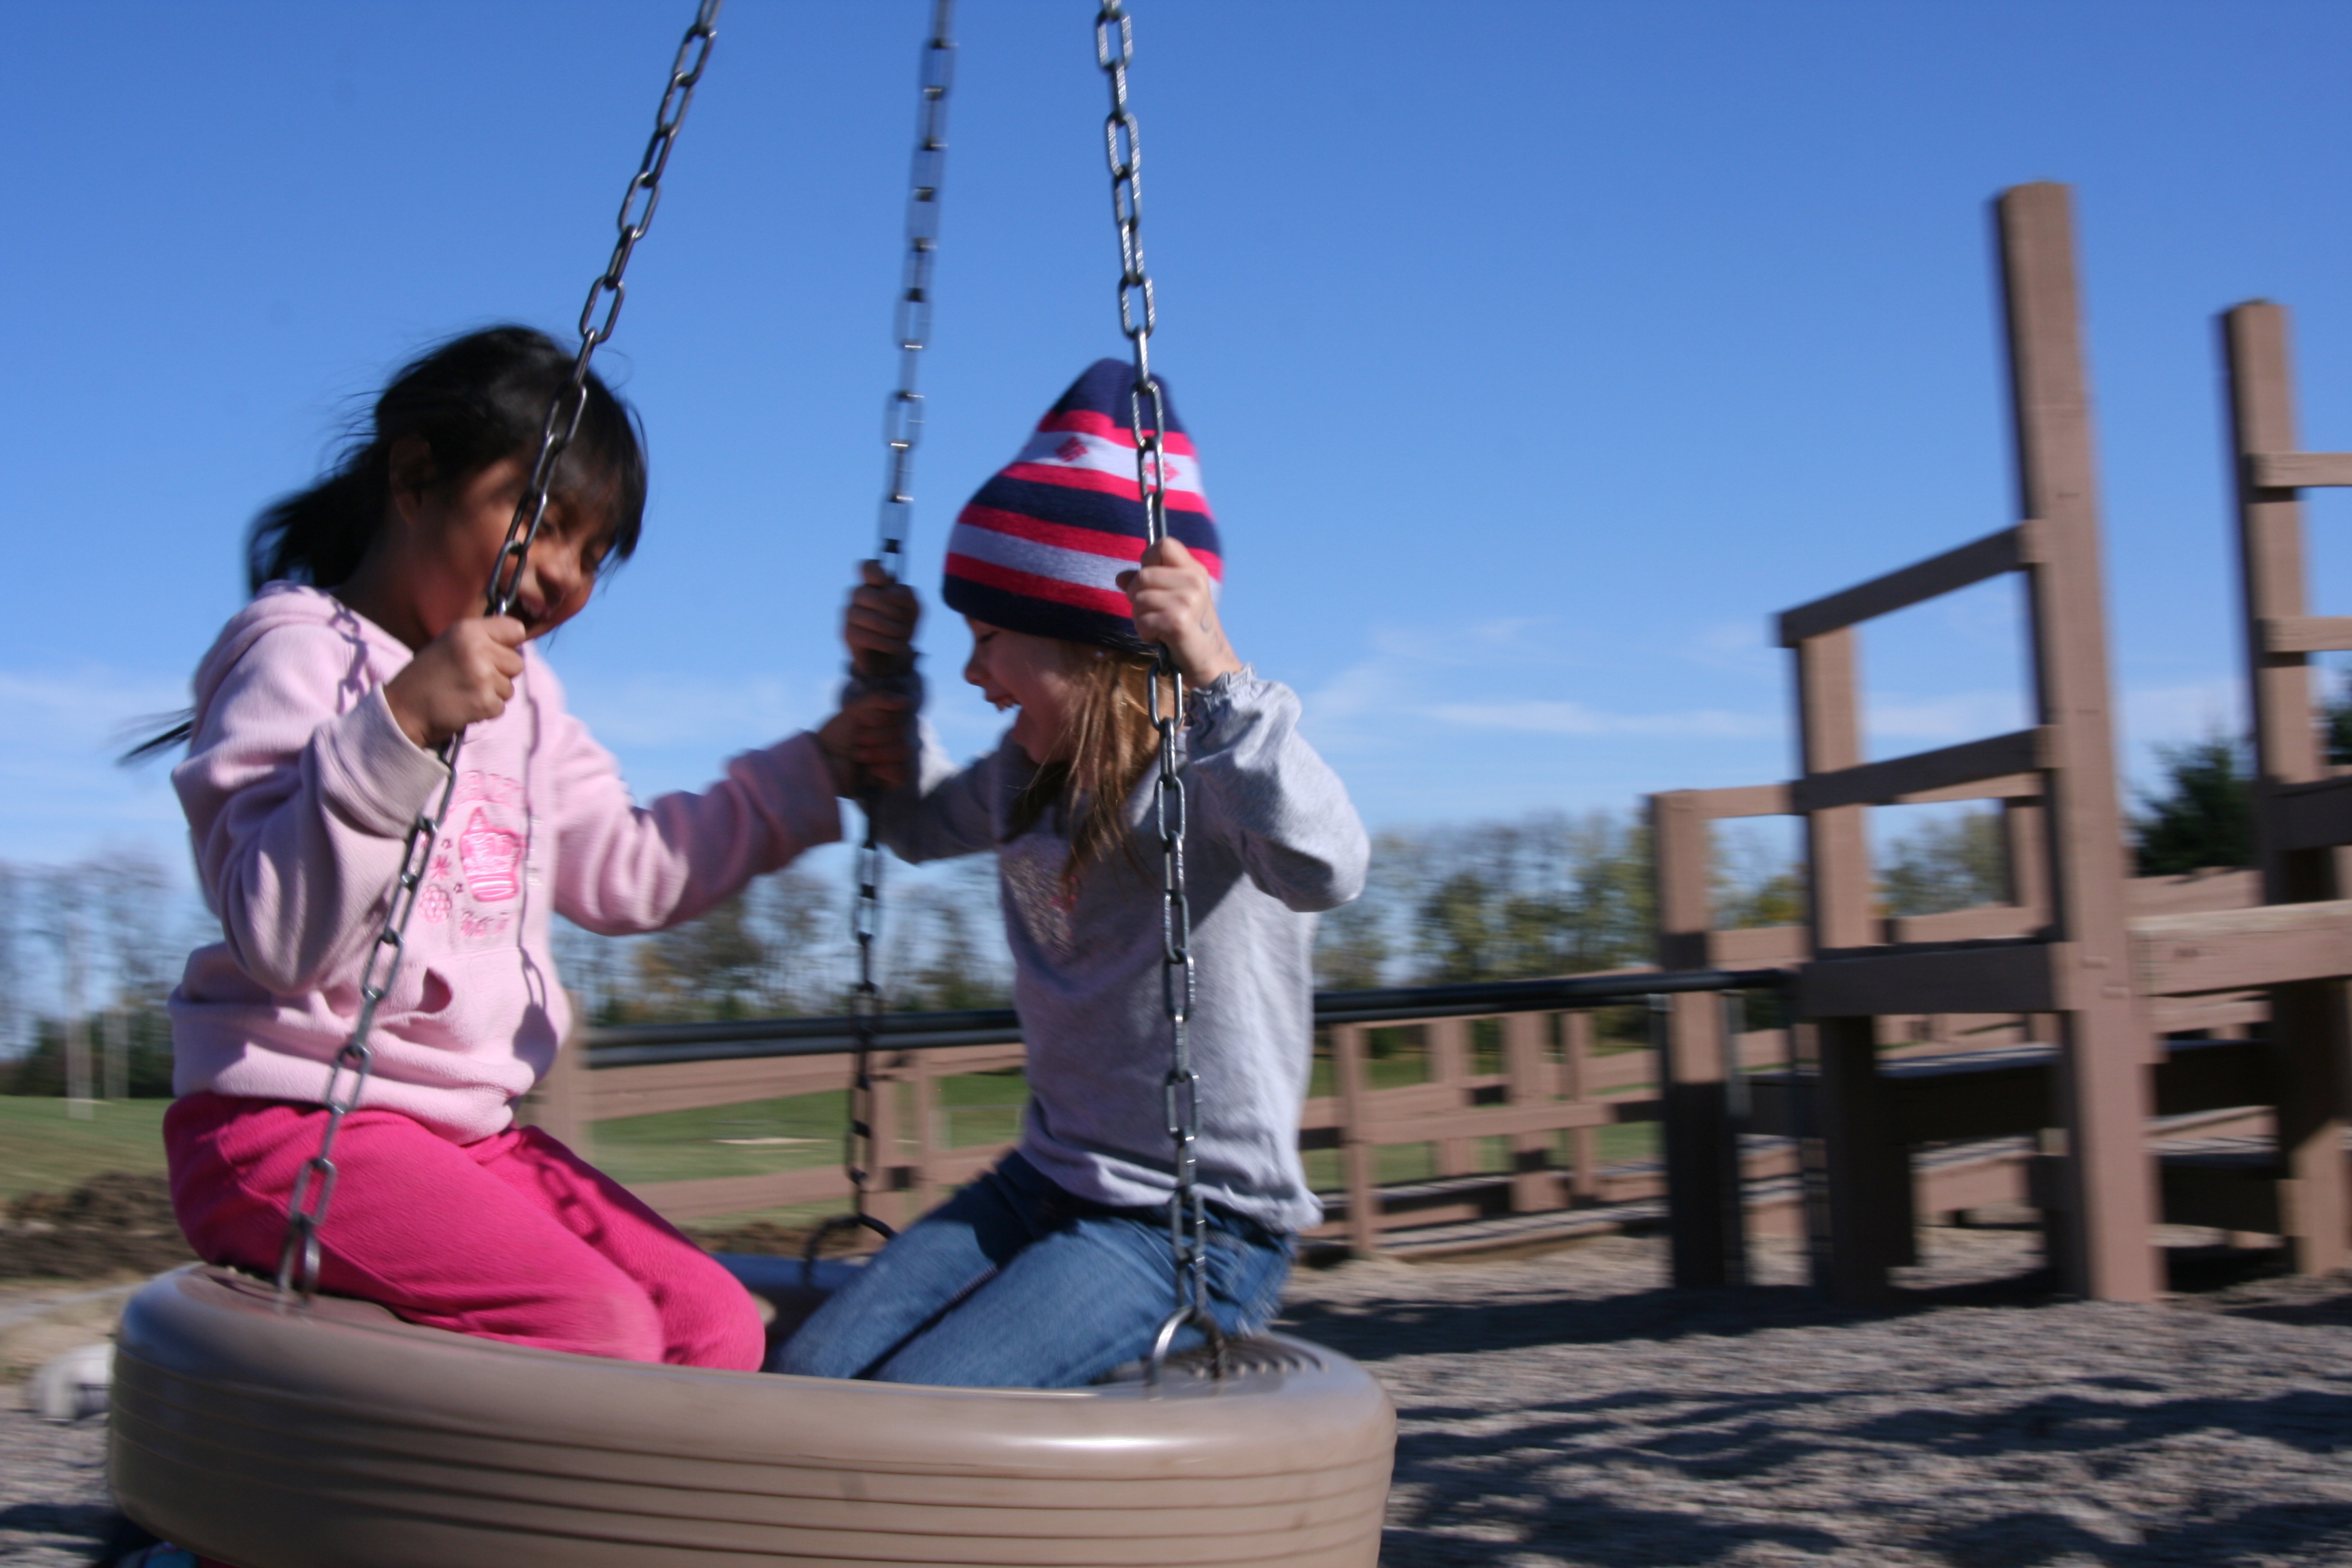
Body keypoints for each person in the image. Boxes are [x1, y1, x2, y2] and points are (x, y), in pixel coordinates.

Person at [157, 325, 907, 1375]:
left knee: (714, 1327)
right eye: (543, 524)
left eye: (594, 555)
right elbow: (279, 934)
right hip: (287, 1124)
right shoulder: (299, 654)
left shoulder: (525, 699)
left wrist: (813, 770)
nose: (562, 575)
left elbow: (628, 867)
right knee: (589, 1325)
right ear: (415, 477)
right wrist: (401, 728)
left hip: (463, 1137)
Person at [777, 359, 1368, 1388]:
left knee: (922, 1407)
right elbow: (912, 823)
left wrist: (1219, 674)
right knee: (815, 1371)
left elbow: (1330, 866)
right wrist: (884, 678)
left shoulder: (1213, 772)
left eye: (988, 640)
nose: (973, 673)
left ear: (1087, 644)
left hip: (1192, 1223)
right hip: (1042, 1182)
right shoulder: (1025, 780)